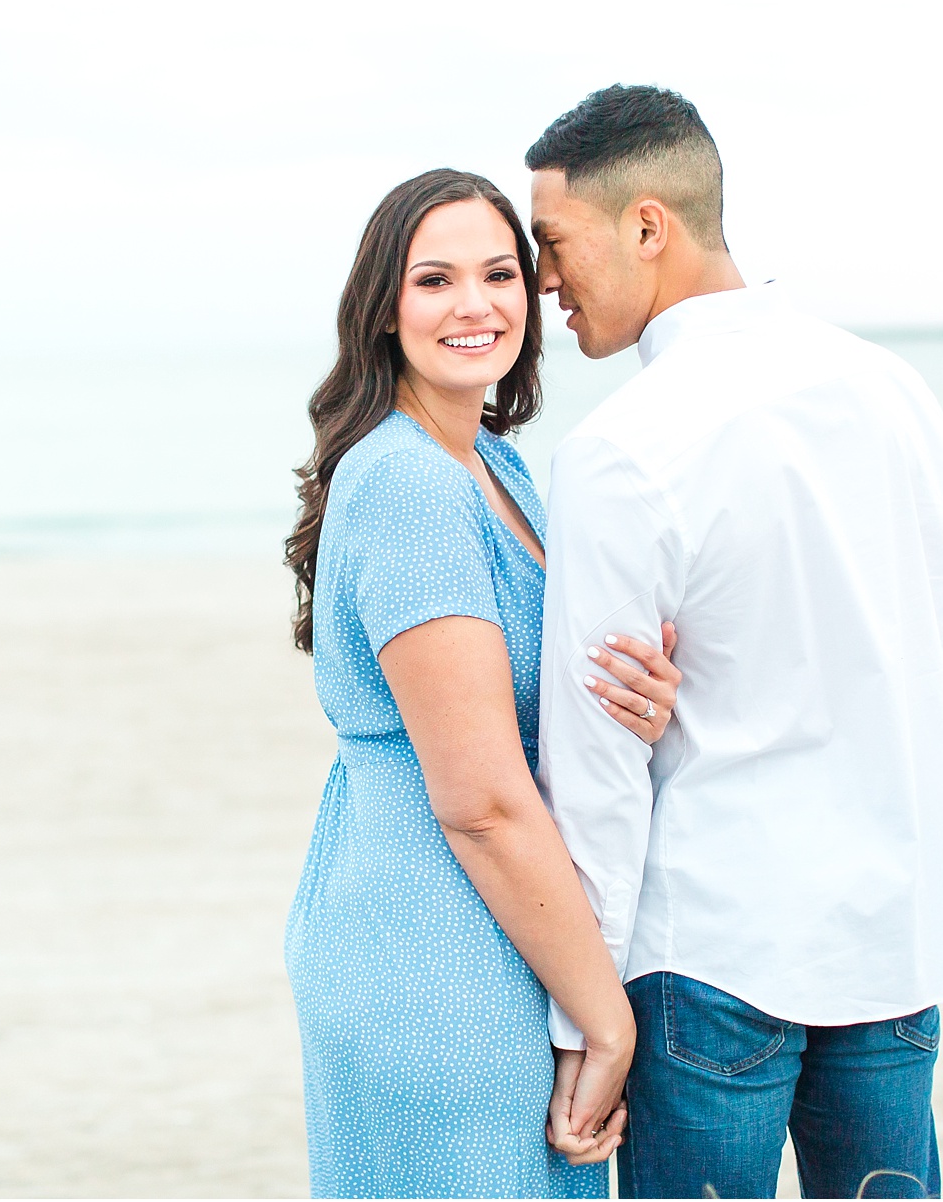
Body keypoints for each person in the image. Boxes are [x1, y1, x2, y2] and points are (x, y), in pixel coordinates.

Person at [528, 86, 943, 1199]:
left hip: (712, 949)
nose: (543, 281)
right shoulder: (894, 388)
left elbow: (597, 767)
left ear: (647, 225)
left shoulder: (621, 447)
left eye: (551, 242)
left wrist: (584, 1018)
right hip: (890, 935)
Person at [281, 168, 683, 1199]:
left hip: (497, 929)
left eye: (501, 272)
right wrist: (605, 1013)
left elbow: (527, 690)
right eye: (435, 279)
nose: (477, 304)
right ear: (383, 308)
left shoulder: (492, 464)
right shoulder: (412, 485)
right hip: (437, 951)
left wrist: (637, 694)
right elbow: (482, 801)